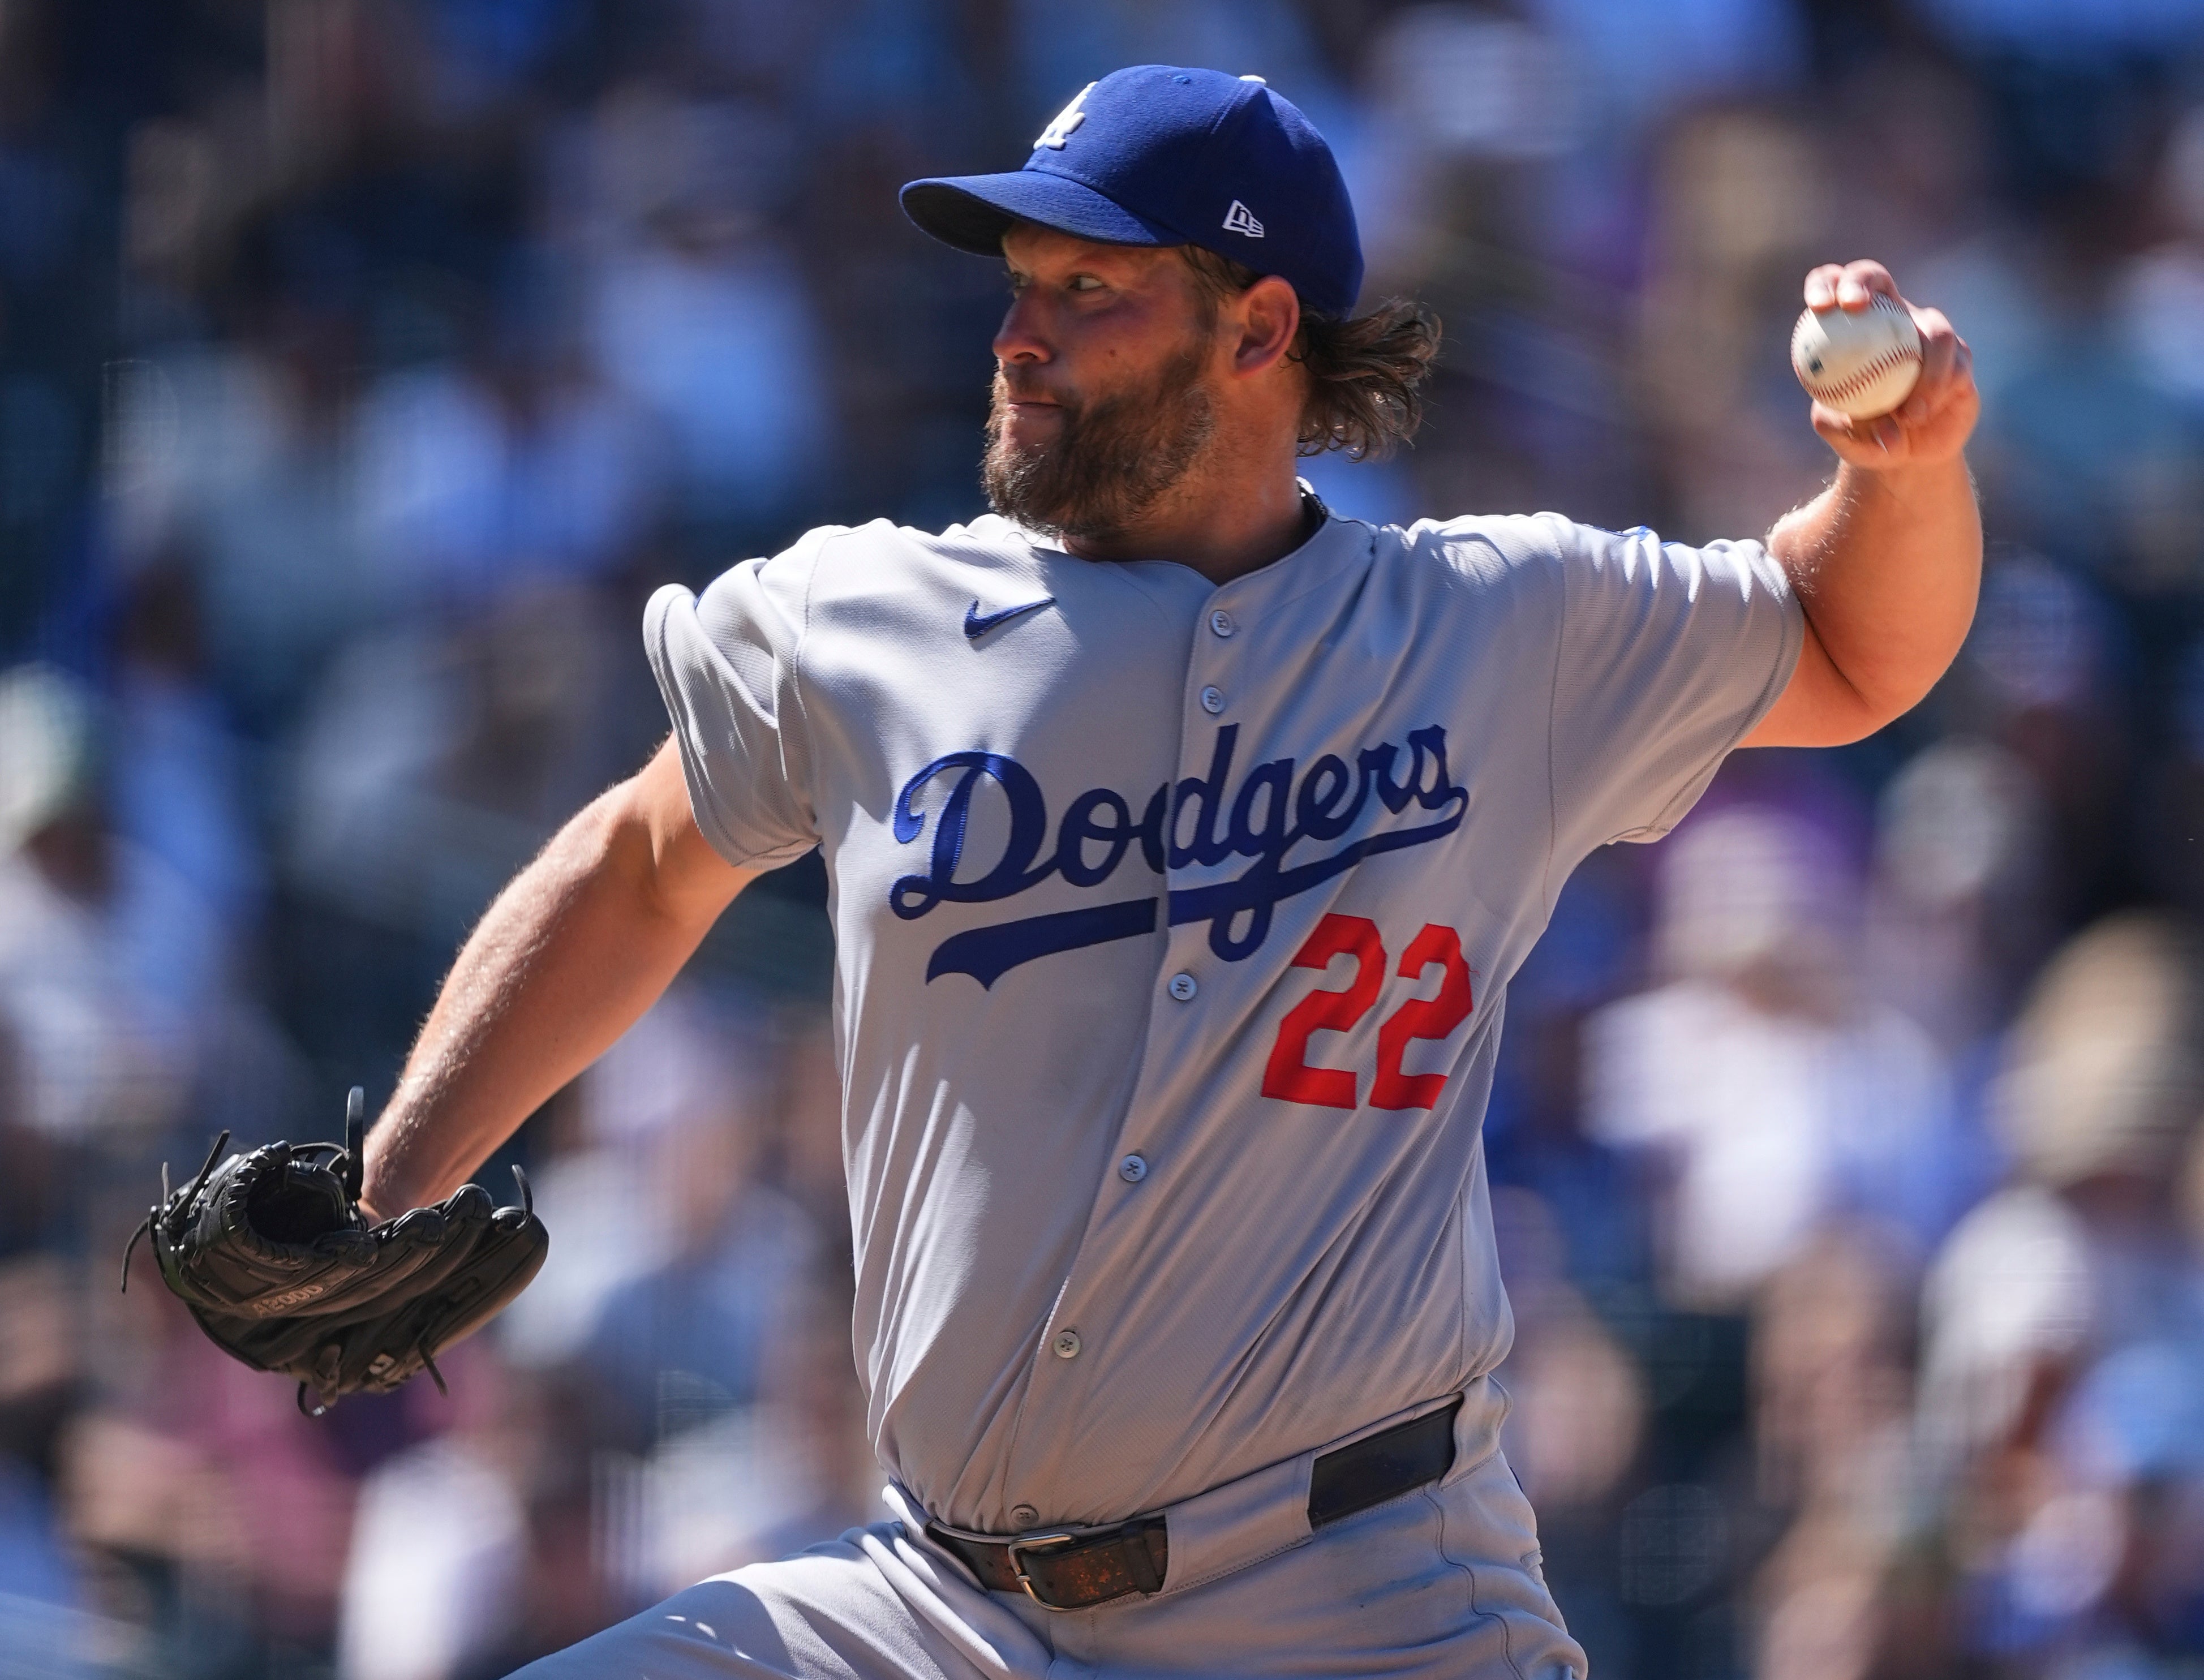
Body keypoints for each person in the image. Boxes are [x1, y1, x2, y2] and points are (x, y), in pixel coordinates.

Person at [359, 65, 1980, 1679]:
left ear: (1260, 329)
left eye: (1089, 290)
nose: (1019, 335)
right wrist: (387, 1190)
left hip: (1363, 1604)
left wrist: (1898, 472)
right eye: (1019, 285)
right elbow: (643, 863)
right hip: (942, 1608)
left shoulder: (1490, 629)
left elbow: (1849, 644)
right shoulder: (867, 623)